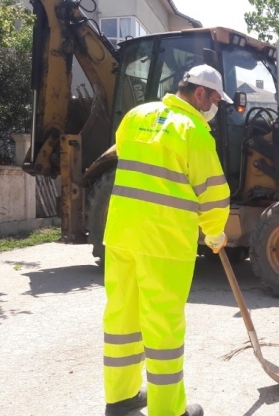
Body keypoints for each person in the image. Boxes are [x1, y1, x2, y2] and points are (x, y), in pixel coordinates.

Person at [102, 64, 233, 416]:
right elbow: (214, 194)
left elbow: (130, 159)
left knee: (121, 320)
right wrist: (215, 233)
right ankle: (168, 410)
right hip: (164, 242)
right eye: (215, 99)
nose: (214, 107)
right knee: (163, 328)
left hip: (121, 234)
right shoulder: (194, 131)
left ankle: (121, 398)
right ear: (200, 93)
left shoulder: (135, 115)